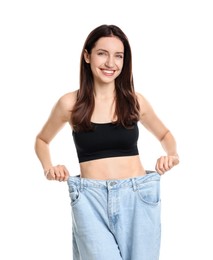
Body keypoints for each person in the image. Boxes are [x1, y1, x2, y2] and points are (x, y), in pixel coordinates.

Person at [34, 24, 179, 260]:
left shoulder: (134, 101)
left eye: (118, 56)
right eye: (102, 53)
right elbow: (42, 140)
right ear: (87, 56)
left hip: (139, 198)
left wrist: (171, 155)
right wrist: (49, 168)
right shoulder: (69, 104)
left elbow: (165, 135)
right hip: (91, 201)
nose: (111, 63)